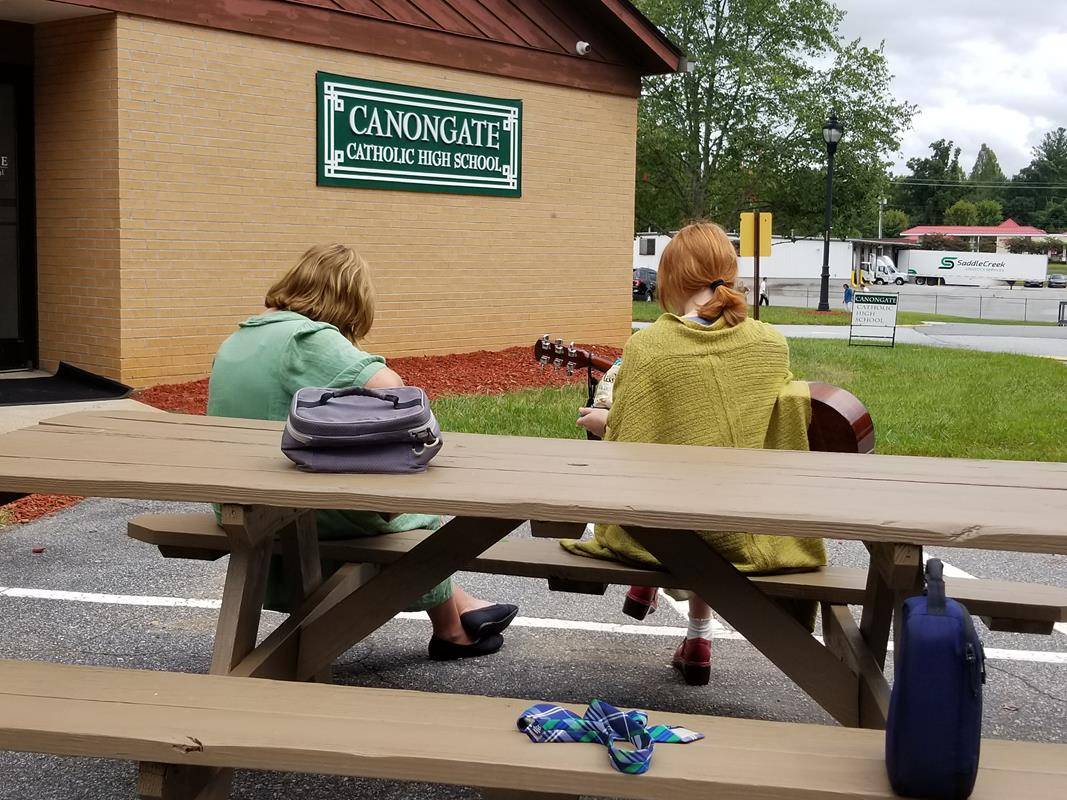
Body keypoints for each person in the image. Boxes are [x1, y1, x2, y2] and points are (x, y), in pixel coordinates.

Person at [207, 243, 518, 661]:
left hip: (235, 498)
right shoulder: (307, 339)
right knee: (419, 517)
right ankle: (452, 630)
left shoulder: (243, 335)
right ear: (347, 299)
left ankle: (462, 608)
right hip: (291, 510)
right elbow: (394, 391)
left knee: (398, 512)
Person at [568, 222, 825, 686]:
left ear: (670, 279)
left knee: (660, 508)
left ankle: (648, 585)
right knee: (704, 493)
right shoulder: (771, 344)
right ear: (728, 271)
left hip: (666, 526)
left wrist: (604, 424)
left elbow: (632, 444)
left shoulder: (648, 348)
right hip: (743, 524)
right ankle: (699, 633)